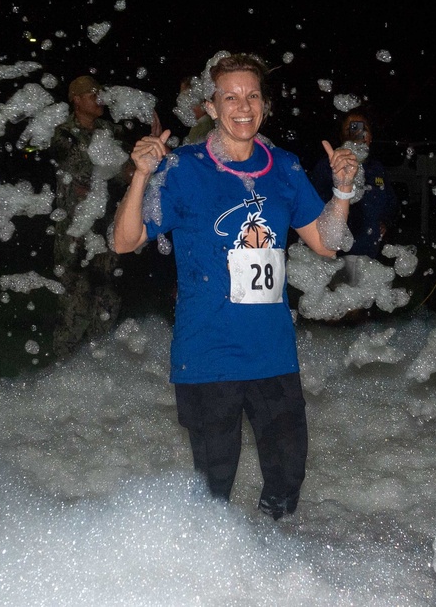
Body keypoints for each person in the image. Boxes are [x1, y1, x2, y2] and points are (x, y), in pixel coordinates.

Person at [112, 53, 357, 519]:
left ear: (264, 104)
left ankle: (267, 566)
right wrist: (143, 174)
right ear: (210, 106)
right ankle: (212, 578)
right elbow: (126, 242)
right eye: (230, 96)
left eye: (252, 95)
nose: (242, 106)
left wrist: (342, 191)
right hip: (207, 354)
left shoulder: (284, 167)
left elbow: (327, 245)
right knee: (214, 487)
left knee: (287, 477)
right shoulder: (182, 167)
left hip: (273, 353)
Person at [49, 75, 131, 360]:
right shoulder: (64, 134)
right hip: (75, 230)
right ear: (76, 99)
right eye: (92, 94)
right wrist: (122, 167)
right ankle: (64, 366)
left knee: (107, 297)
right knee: (75, 299)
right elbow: (88, 168)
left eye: (100, 93)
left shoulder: (110, 130)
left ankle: (99, 363)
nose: (99, 99)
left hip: (105, 228)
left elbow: (125, 171)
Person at [310, 107, 398, 282]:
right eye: (352, 128)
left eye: (363, 128)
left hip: (370, 254)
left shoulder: (377, 169)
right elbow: (312, 206)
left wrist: (386, 222)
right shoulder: (328, 167)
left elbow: (391, 202)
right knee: (343, 306)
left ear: (370, 137)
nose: (358, 132)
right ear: (343, 137)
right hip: (337, 255)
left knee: (366, 306)